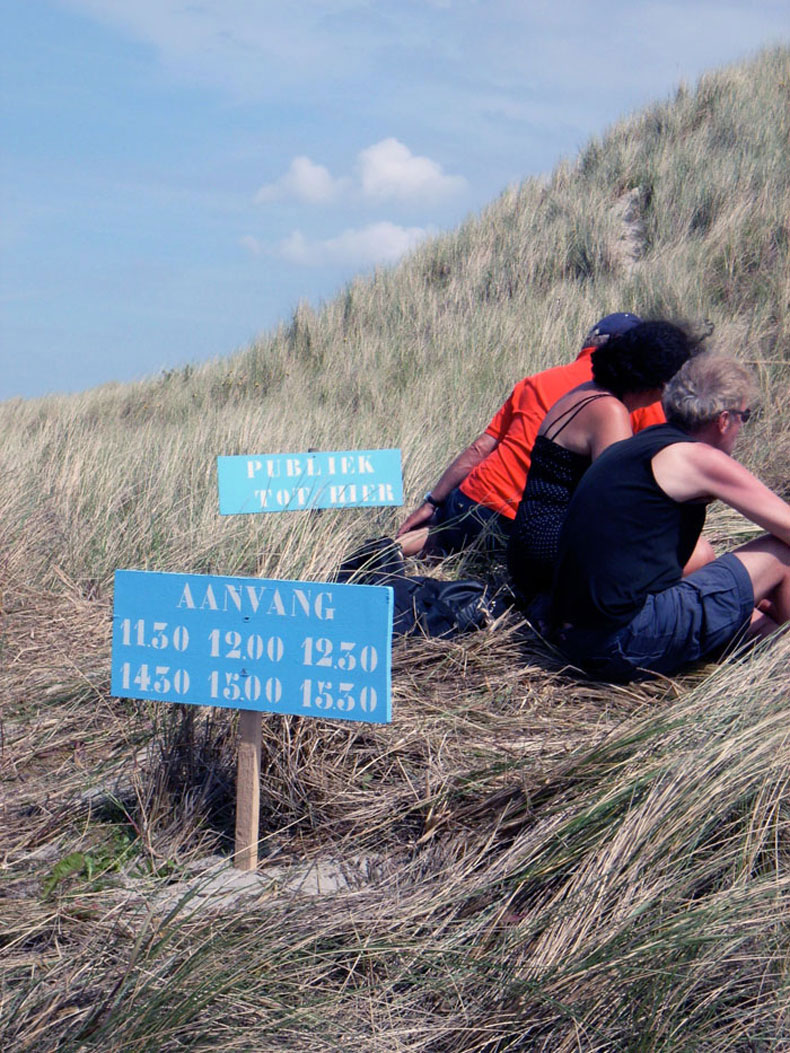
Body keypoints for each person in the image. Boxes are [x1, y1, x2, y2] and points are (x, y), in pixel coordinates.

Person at [549, 351, 790, 682]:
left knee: (717, 571)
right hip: (619, 643)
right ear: (723, 420)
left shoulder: (640, 445)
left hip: (573, 635)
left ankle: (772, 657)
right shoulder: (698, 459)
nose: (740, 428)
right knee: (782, 553)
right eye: (743, 418)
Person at [396, 312, 664, 558]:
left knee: (440, 533)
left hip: (473, 500)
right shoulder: (635, 395)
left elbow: (480, 449)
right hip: (528, 523)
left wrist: (432, 502)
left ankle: (381, 553)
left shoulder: (534, 382)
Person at [506, 321, 698, 599]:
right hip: (550, 552)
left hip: (530, 545)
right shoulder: (610, 412)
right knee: (697, 554)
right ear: (663, 384)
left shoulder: (587, 392)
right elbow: (620, 502)